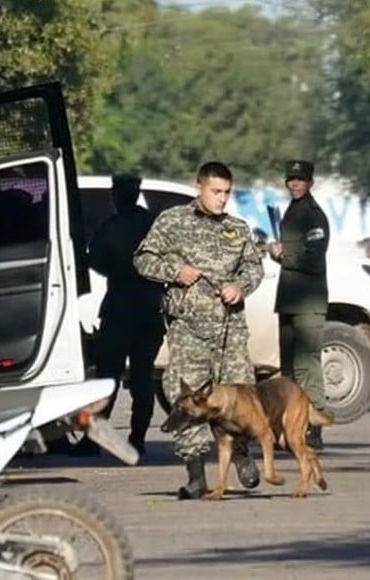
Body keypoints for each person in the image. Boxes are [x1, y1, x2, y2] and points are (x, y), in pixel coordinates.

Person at [134, 161, 263, 499]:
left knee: (238, 396)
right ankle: (195, 474)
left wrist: (240, 286)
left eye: (226, 193)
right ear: (199, 188)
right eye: (215, 192)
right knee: (187, 398)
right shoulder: (173, 221)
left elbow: (254, 267)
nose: (222, 199)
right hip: (188, 329)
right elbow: (143, 259)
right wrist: (175, 270)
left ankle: (241, 454)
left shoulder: (237, 228)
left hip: (229, 329)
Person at [87, 173, 165, 458]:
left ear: (117, 195)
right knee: (142, 377)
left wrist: (118, 271)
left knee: (108, 376)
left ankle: (95, 439)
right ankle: (138, 438)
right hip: (151, 309)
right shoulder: (155, 224)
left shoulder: (111, 226)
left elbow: (94, 258)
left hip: (120, 308)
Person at [267, 160, 331, 450]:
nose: (294, 184)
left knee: (307, 365)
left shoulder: (314, 216)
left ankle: (314, 425)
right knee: (290, 369)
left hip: (308, 301)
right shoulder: (292, 211)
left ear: (310, 183)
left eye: (300, 179)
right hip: (290, 299)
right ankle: (292, 426)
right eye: (290, 179)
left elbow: (314, 259)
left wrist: (283, 254)